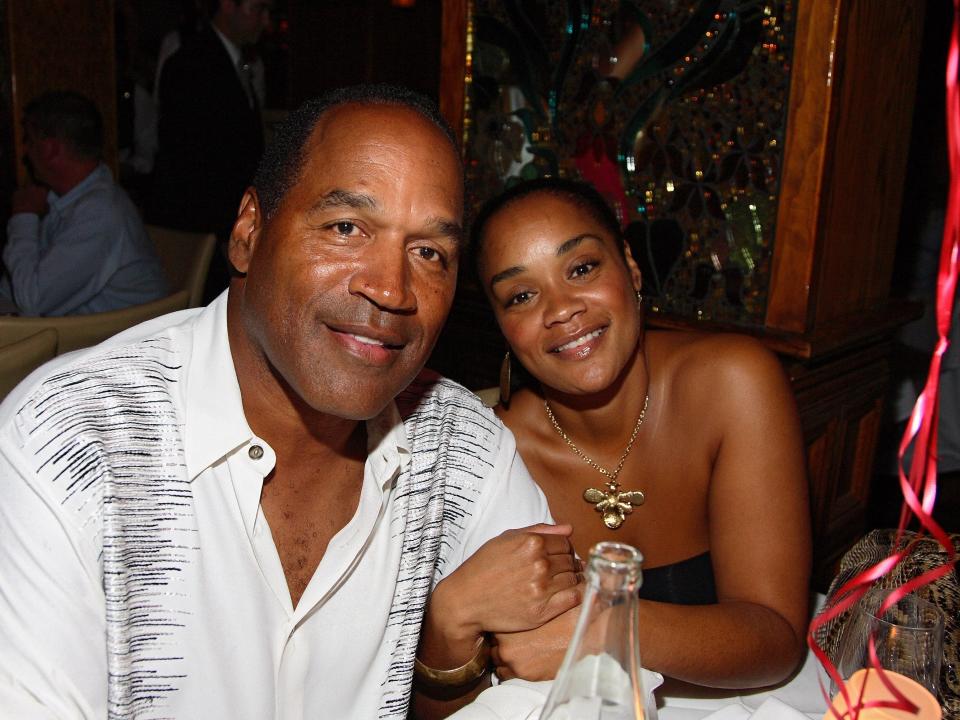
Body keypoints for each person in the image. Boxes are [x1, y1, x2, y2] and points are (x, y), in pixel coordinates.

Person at [0, 86, 579, 719]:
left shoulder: (462, 448)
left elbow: (559, 683)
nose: (391, 288)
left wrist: (444, 655)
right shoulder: (66, 444)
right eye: (346, 228)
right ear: (249, 231)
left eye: (429, 253)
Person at [464, 177, 811, 689]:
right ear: (500, 325)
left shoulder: (733, 384)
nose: (561, 310)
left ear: (629, 265)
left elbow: (775, 640)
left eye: (581, 268)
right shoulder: (493, 454)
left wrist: (600, 629)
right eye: (521, 295)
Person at [0, 90, 168, 316]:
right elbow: (14, 289)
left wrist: (23, 217)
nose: (25, 153)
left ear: (51, 149)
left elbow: (32, 302)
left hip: (125, 344)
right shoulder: (70, 199)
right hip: (86, 335)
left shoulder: (101, 212)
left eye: (29, 141)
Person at [148, 0, 271, 298]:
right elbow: (192, 161)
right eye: (257, 9)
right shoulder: (190, 64)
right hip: (201, 228)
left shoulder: (240, 61)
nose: (265, 21)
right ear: (228, 5)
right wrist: (227, 232)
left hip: (228, 219)